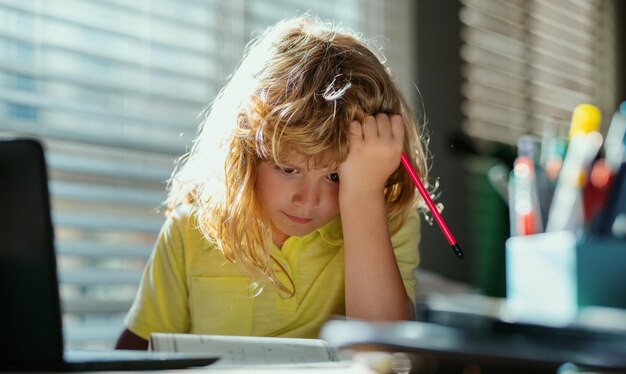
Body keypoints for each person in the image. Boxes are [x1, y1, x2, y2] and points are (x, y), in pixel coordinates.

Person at [116, 15, 430, 350]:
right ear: (246, 150)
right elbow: (134, 351)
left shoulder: (388, 218)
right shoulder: (191, 228)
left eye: (335, 176)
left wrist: (364, 196)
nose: (308, 201)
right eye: (288, 169)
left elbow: (383, 353)